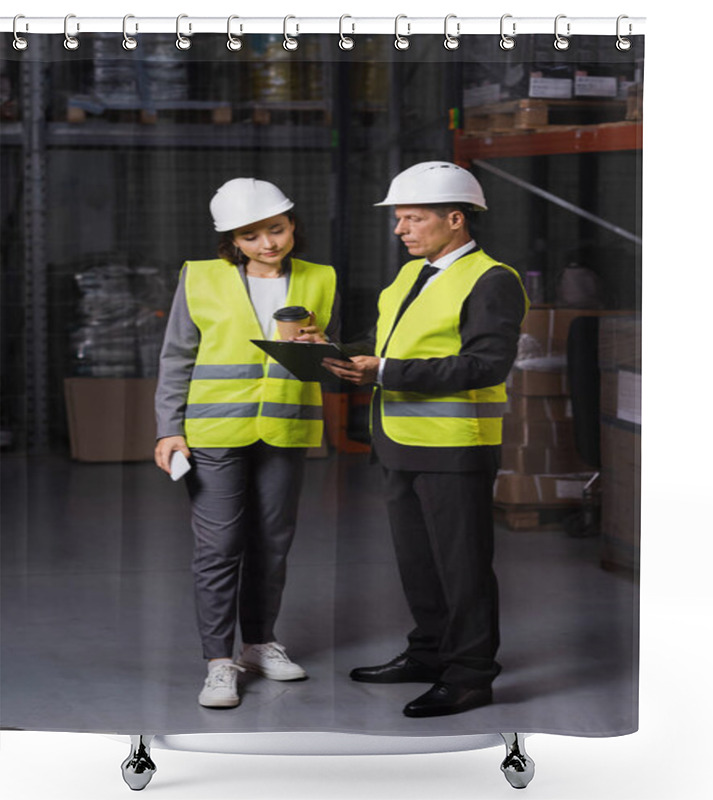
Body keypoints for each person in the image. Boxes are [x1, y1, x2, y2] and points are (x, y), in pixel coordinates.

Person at [323, 161, 528, 718]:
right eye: (399, 219)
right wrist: (335, 352)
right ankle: (429, 652)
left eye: (413, 219)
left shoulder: (492, 280)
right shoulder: (411, 276)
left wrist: (384, 372)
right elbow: (390, 343)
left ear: (455, 219)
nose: (401, 230)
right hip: (400, 441)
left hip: (455, 447)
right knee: (418, 562)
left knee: (462, 567)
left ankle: (469, 677)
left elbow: (484, 365)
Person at [154, 178, 338, 709]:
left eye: (276, 230)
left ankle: (259, 643)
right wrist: (170, 427)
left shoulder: (320, 279)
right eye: (251, 235)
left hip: (285, 429)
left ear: (292, 225)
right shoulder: (200, 279)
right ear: (233, 240)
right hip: (214, 433)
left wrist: (322, 347)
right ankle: (219, 661)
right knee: (219, 548)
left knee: (272, 544)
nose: (268, 244)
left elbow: (329, 361)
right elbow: (176, 358)